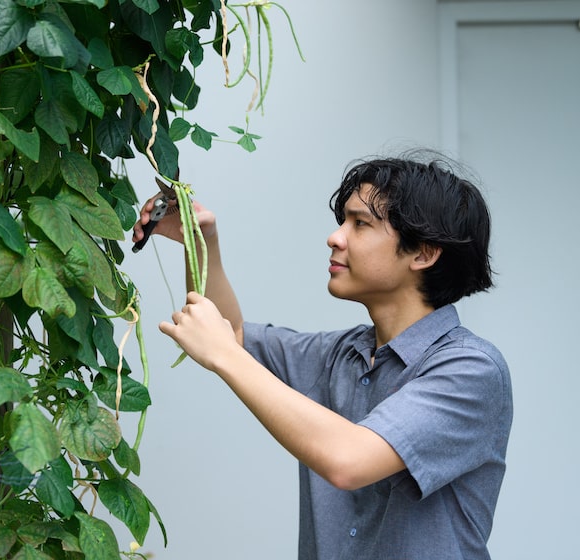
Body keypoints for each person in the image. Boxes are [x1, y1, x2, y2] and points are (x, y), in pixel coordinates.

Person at [132, 154, 513, 560]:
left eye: (360, 223)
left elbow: (347, 460)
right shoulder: (341, 354)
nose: (335, 237)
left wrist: (224, 353)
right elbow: (233, 335)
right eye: (342, 221)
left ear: (422, 253)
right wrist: (200, 241)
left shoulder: (472, 371)